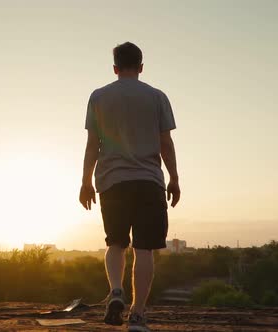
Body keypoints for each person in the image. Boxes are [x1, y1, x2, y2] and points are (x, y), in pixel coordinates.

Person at [79, 42, 180, 332]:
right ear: (141, 66)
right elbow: (165, 143)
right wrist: (173, 177)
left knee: (115, 243)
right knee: (145, 249)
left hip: (112, 181)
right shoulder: (157, 96)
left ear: (115, 67)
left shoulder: (98, 97)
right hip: (148, 181)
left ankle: (116, 291)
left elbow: (92, 145)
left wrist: (85, 181)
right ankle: (137, 316)